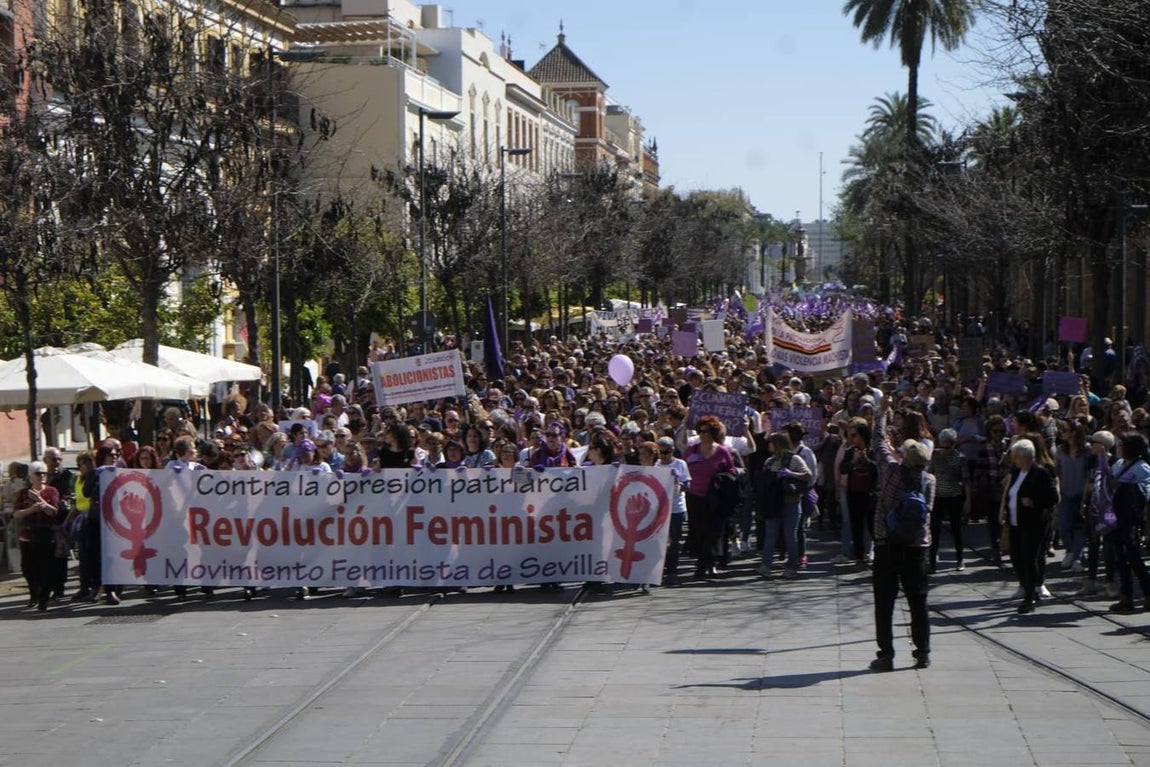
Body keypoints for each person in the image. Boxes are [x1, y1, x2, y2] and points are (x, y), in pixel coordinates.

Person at [870, 400, 935, 671]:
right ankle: (923, 653)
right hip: (917, 545)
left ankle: (886, 654)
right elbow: (928, 510)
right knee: (918, 600)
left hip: (887, 543)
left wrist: (882, 412)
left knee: (884, 602)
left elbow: (878, 442)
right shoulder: (929, 481)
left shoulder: (891, 471)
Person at [1000, 439, 1059, 614]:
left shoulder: (1041, 473)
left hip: (1034, 523)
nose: (1013, 459)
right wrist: (1004, 510)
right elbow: (1011, 493)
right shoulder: (1017, 472)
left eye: (1015, 456)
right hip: (1015, 521)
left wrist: (1034, 502)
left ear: (1024, 457)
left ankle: (1030, 597)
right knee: (1016, 557)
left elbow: (1053, 498)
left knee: (1029, 558)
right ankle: (1027, 586)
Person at [682, 414, 735, 578]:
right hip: (694, 496)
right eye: (701, 431)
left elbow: (731, 471)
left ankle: (709, 563)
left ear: (714, 432)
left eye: (707, 431)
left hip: (714, 497)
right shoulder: (692, 450)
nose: (703, 434)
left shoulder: (722, 452)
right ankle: (701, 561)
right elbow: (682, 468)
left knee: (713, 531)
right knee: (697, 530)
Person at [757, 432, 811, 580]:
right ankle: (766, 565)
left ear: (778, 444)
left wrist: (791, 474)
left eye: (771, 442)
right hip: (772, 503)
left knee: (790, 535)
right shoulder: (769, 461)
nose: (768, 444)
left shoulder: (794, 459)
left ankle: (792, 565)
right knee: (770, 535)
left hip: (790, 502)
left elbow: (808, 475)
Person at [1107, 432, 1150, 614]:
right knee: (1120, 558)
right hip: (1114, 515)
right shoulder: (1118, 464)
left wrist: (1123, 486)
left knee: (1134, 557)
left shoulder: (1142, 468)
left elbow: (1146, 492)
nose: (1118, 447)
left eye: (1121, 445)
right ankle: (1126, 596)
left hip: (1130, 518)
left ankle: (1148, 594)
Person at [13, 461, 61, 611]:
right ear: (31, 476)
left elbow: (53, 512)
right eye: (38, 474)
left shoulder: (51, 491)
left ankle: (43, 599)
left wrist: (39, 500)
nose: (42, 476)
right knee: (28, 568)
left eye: (44, 473)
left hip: (45, 535)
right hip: (27, 535)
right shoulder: (23, 493)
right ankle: (34, 594)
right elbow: (16, 514)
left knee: (45, 568)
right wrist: (32, 509)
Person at [928, 429, 971, 573]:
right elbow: (930, 474)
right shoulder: (935, 456)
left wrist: (968, 500)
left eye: (949, 446)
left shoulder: (960, 457)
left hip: (954, 496)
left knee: (956, 528)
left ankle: (960, 559)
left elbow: (966, 480)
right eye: (944, 445)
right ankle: (932, 561)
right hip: (938, 497)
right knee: (934, 529)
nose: (945, 449)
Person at [654, 436, 689, 586]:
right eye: (660, 452)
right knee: (660, 541)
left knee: (673, 541)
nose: (663, 456)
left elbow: (688, 484)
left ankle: (672, 571)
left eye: (666, 452)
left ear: (672, 451)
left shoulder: (680, 464)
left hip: (676, 508)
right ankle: (660, 570)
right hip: (660, 508)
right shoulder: (656, 466)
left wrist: (679, 482)